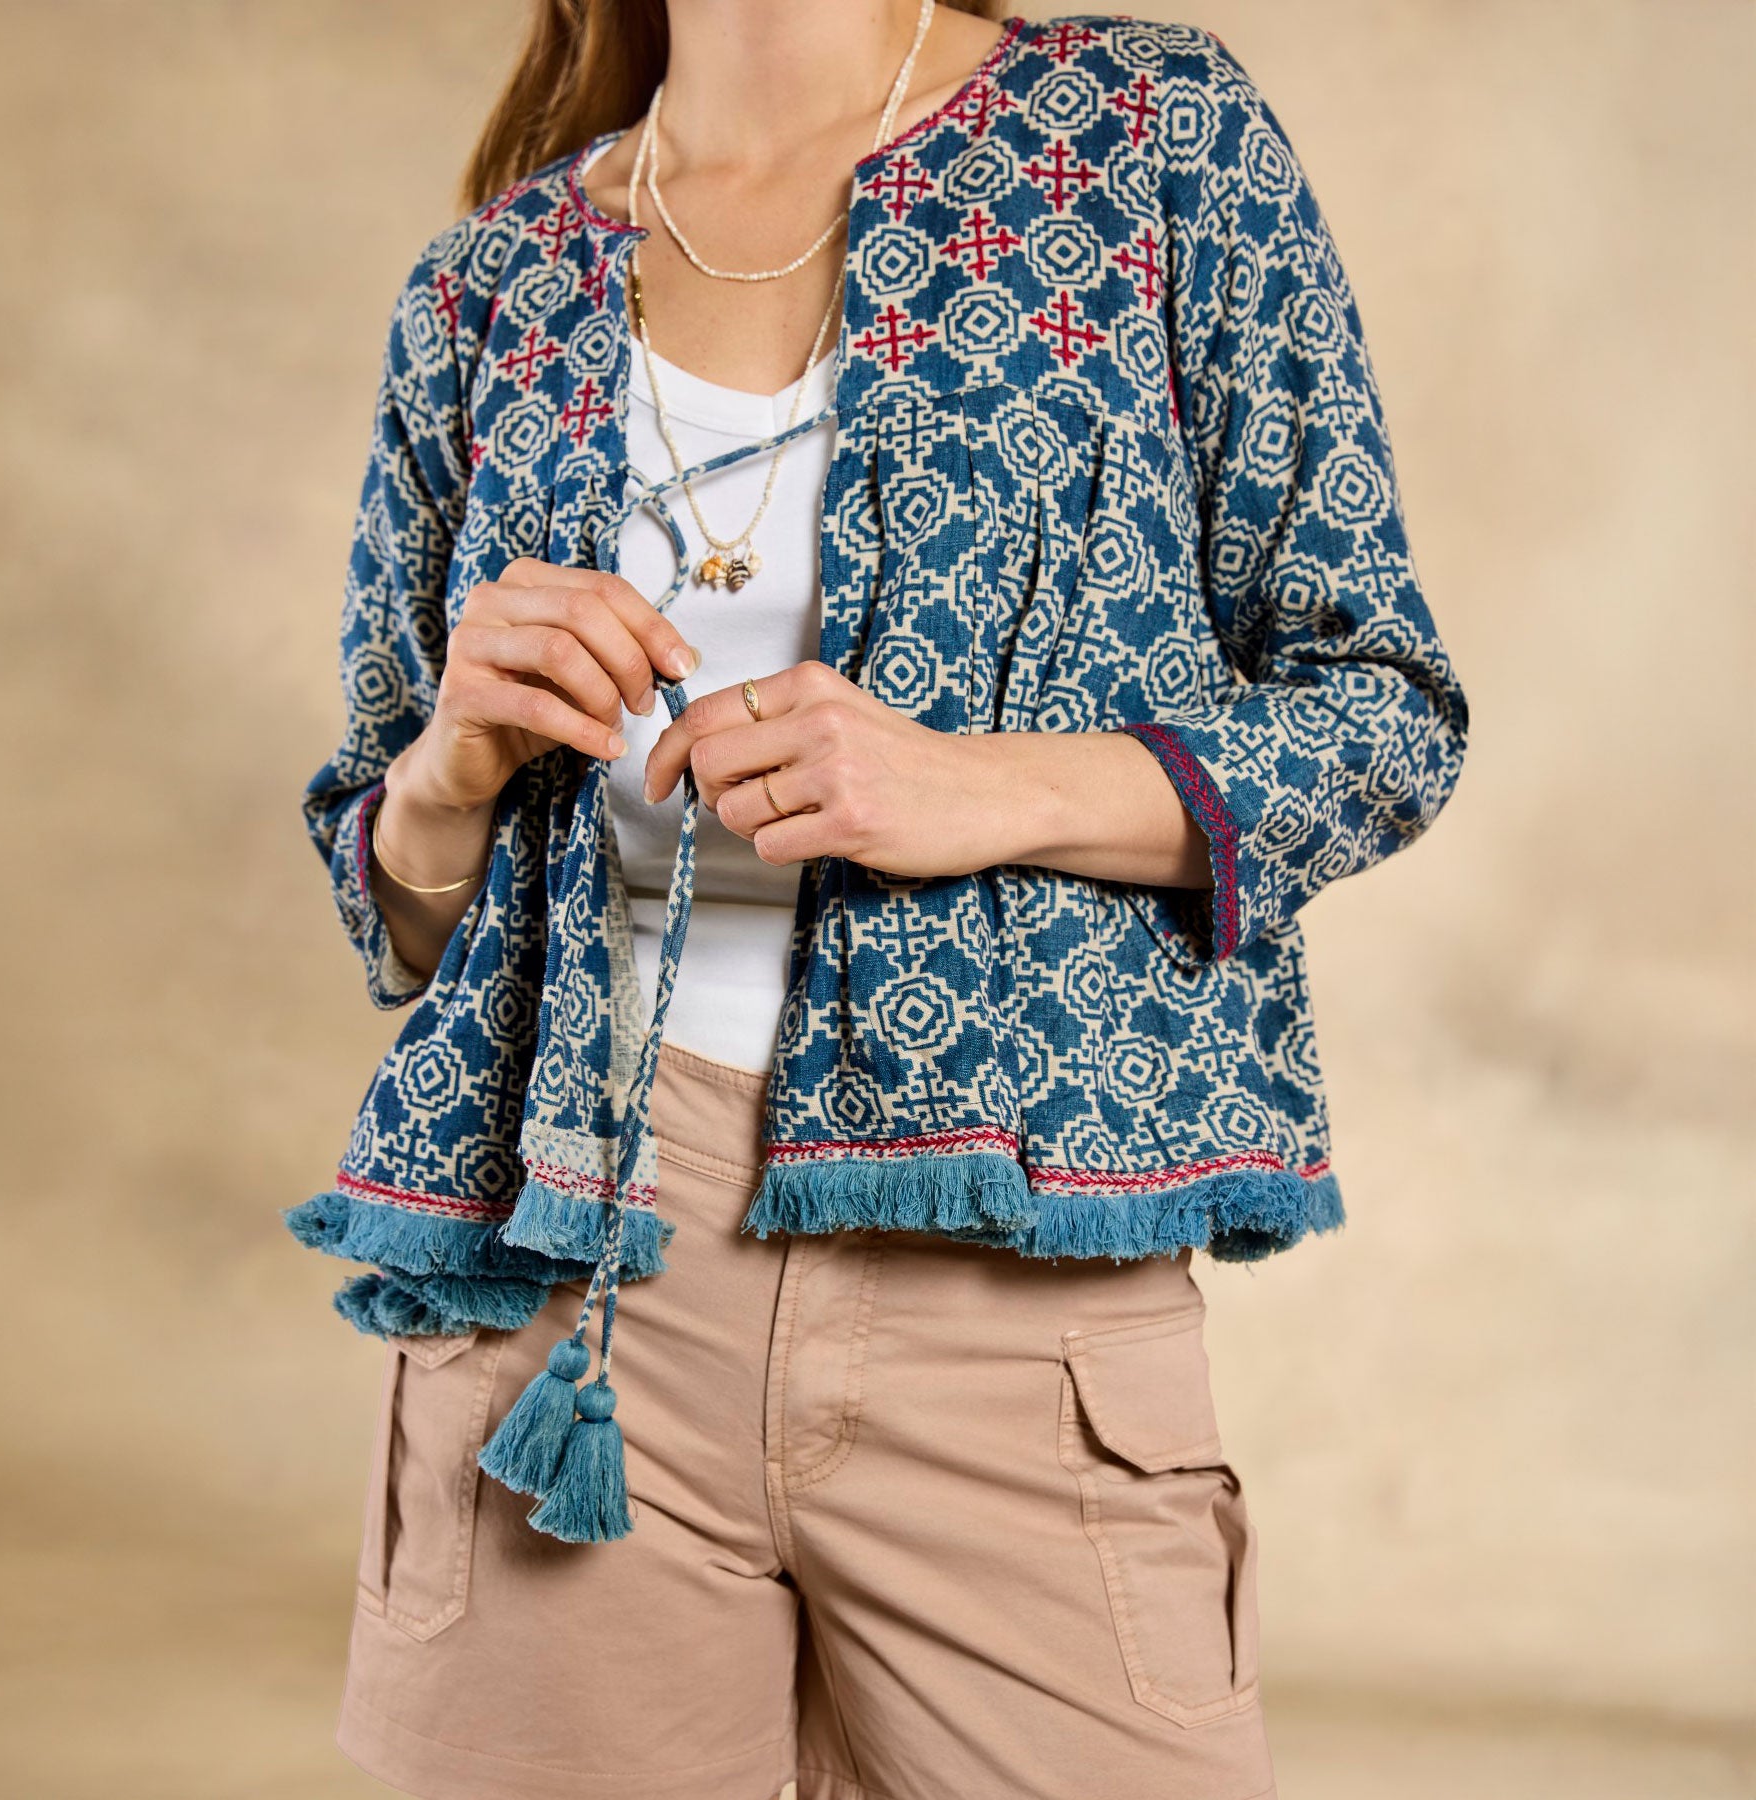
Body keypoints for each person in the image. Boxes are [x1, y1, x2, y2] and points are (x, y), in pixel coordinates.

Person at [284, 5, 1470, 1797]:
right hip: (571, 1293)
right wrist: (450, 769)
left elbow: (1383, 717)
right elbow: (409, 927)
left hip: (1009, 1281)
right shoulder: (486, 289)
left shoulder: (1149, 135)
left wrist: (979, 789)